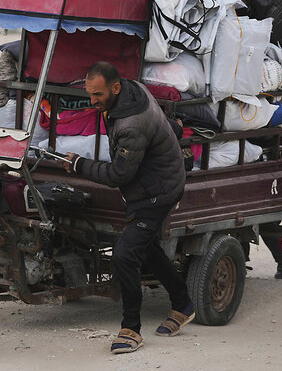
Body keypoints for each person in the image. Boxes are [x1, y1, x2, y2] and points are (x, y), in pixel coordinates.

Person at [63, 62, 192, 354]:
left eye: (97, 95)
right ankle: (183, 302)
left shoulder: (130, 124)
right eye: (90, 93)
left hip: (158, 192)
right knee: (145, 247)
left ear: (115, 87)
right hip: (151, 183)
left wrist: (78, 164)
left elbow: (118, 175)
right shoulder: (133, 92)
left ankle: (131, 329)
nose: (92, 101)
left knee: (125, 254)